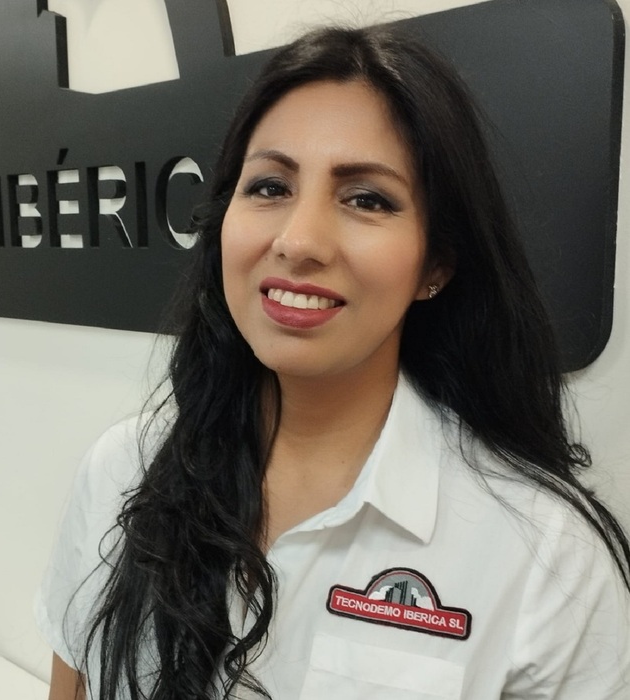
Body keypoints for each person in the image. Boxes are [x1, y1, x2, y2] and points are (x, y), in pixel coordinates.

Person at [36, 24, 630, 700]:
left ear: (436, 263)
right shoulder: (122, 471)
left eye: (366, 199)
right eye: (269, 187)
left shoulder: (548, 558)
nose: (299, 241)